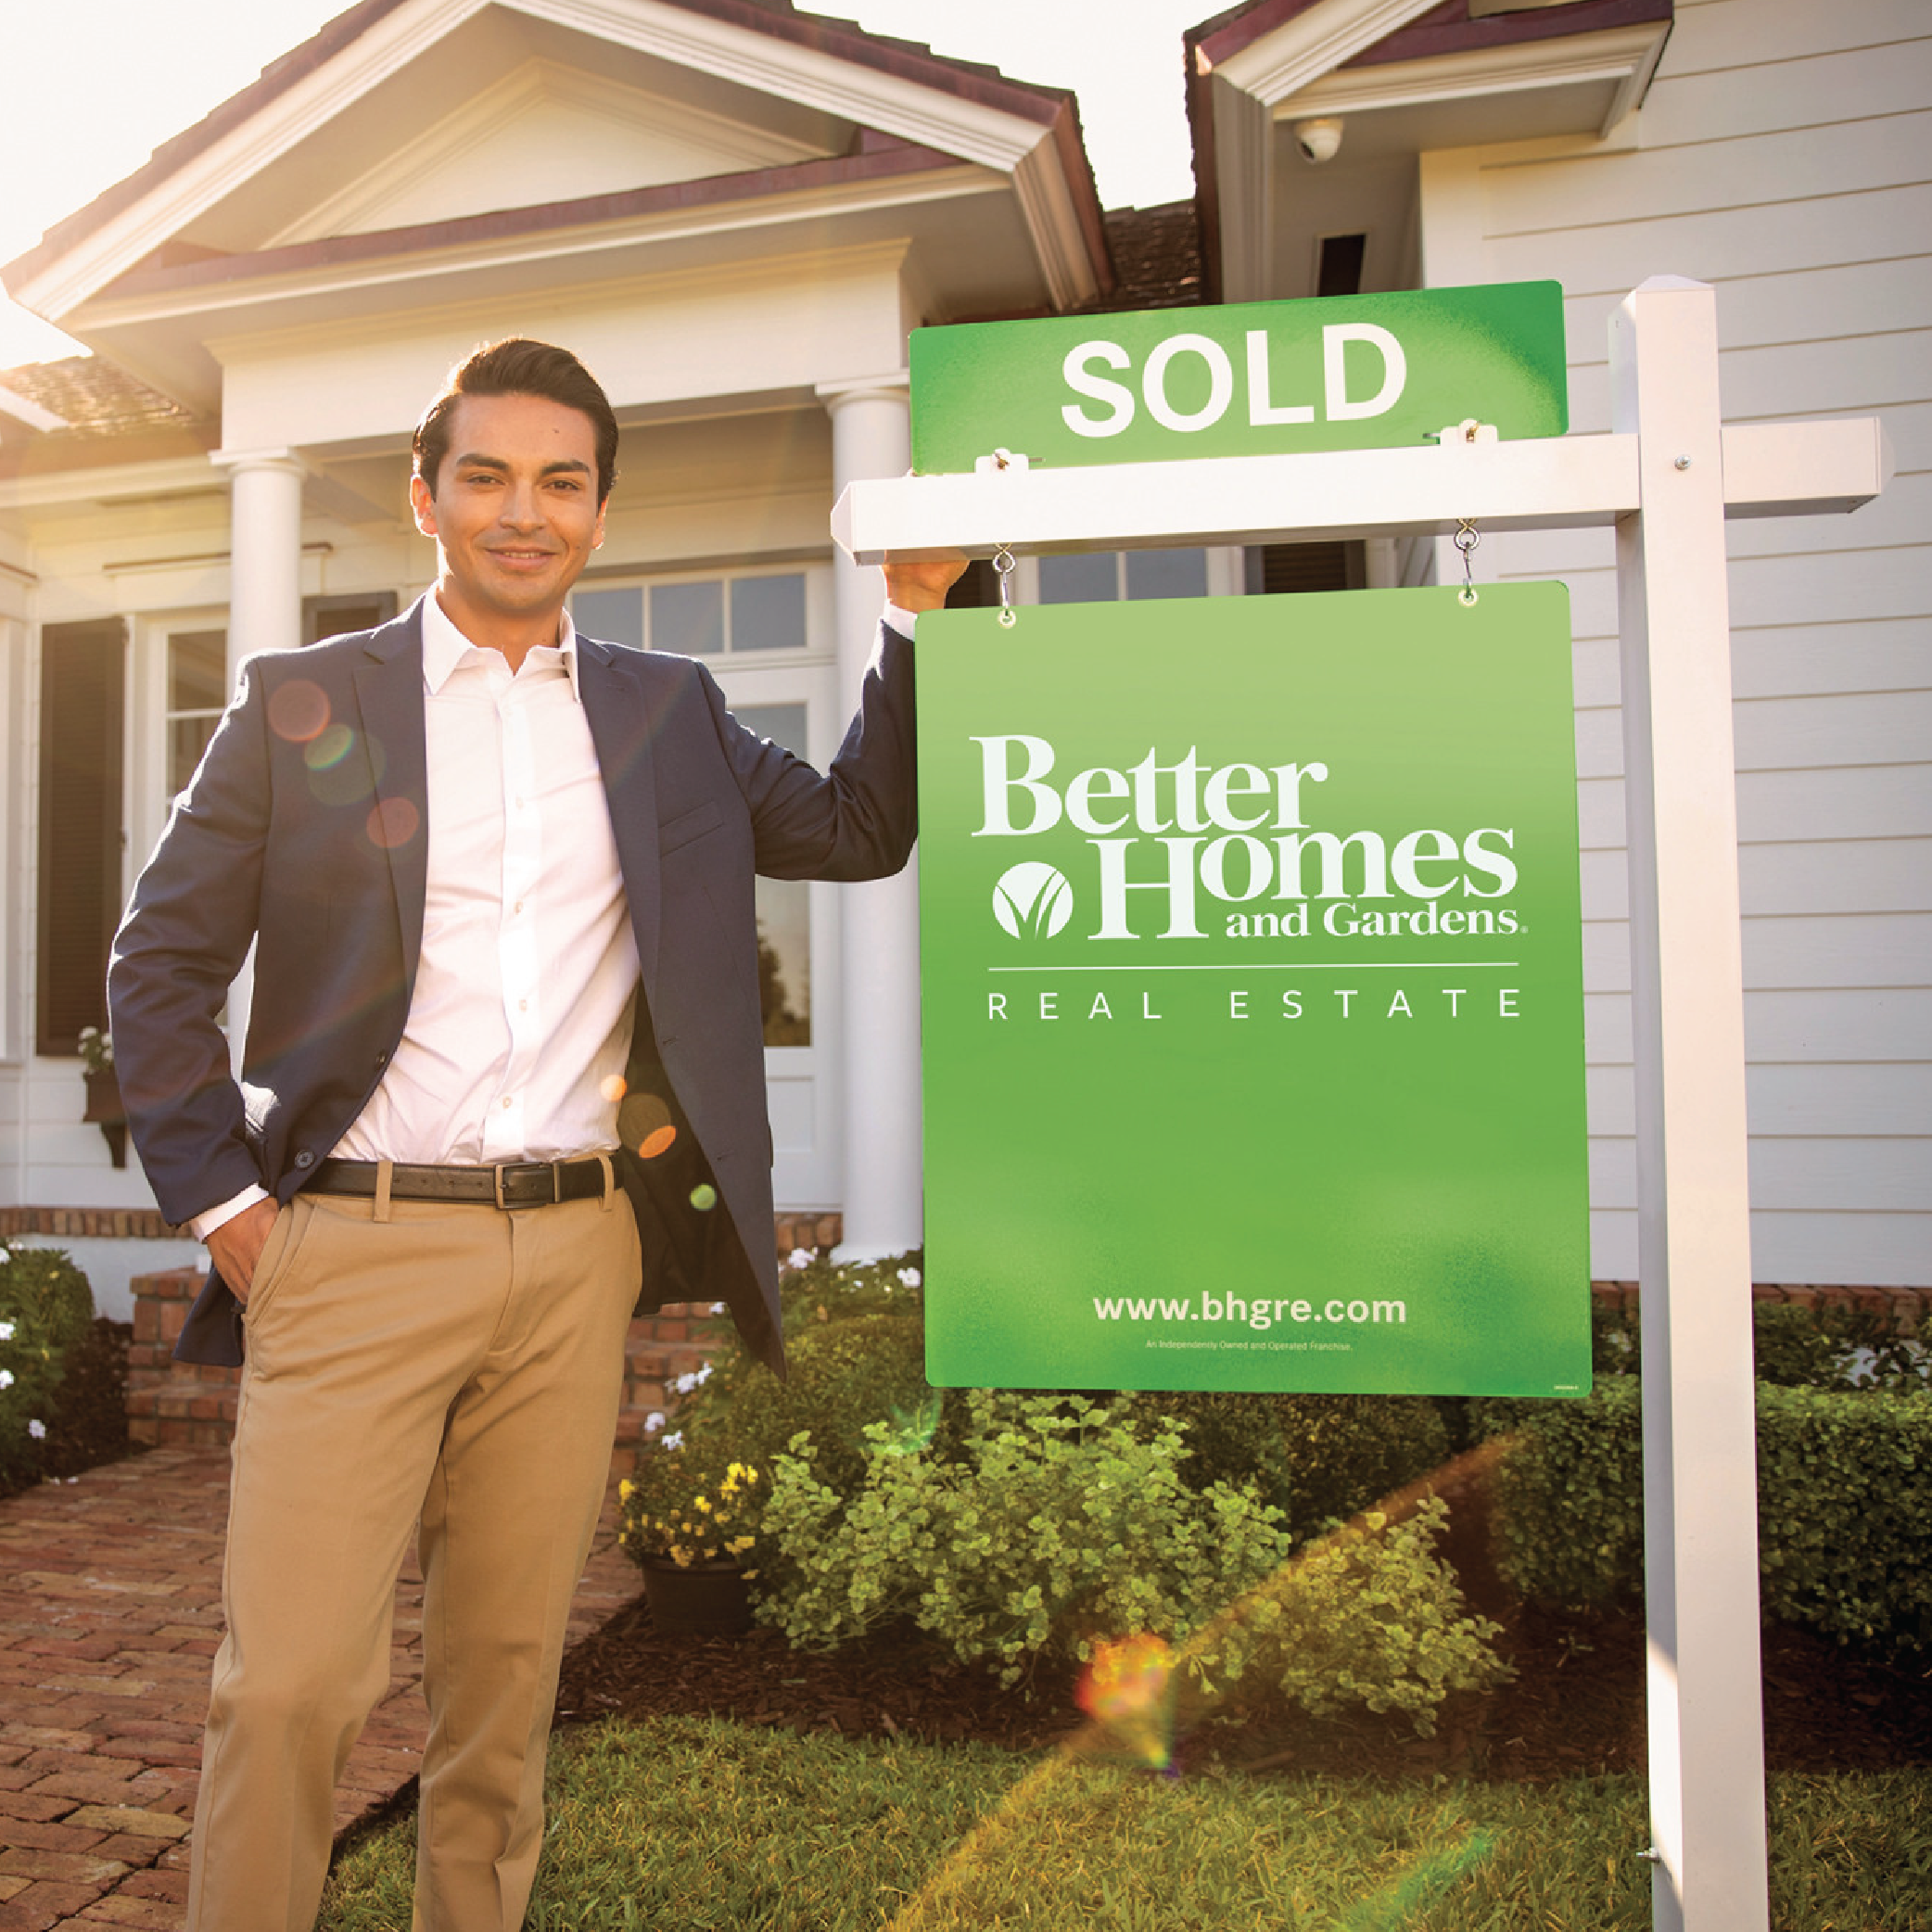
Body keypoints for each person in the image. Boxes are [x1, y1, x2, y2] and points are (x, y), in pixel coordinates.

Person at [107, 337, 964, 1931]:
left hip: (574, 1255)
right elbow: (161, 963)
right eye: (488, 477)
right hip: (347, 1249)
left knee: (501, 1702)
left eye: (561, 482)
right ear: (424, 499)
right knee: (290, 1686)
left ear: (599, 511)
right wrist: (221, 1201)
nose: (525, 511)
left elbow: (860, 827)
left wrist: (918, 606)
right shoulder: (303, 704)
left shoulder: (673, 712)